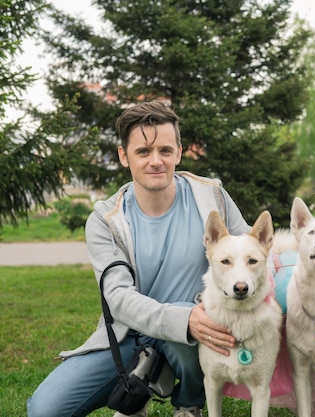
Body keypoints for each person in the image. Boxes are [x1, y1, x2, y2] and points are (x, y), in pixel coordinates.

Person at [27, 101, 250, 417]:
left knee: (188, 318)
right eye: (143, 151)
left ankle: (189, 405)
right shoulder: (106, 219)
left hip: (195, 330)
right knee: (44, 410)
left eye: (165, 150)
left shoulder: (211, 196)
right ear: (123, 156)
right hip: (129, 336)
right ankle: (140, 383)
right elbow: (117, 298)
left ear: (179, 151)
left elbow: (257, 253)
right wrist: (179, 321)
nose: (156, 161)